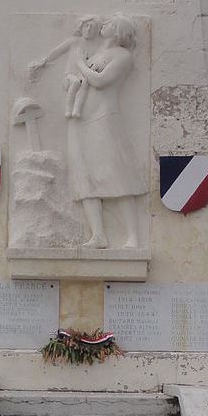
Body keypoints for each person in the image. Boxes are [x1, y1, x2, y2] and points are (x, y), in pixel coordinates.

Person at [68, 13, 146, 248]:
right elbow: (83, 81)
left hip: (104, 119)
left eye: (110, 23)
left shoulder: (123, 56)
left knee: (118, 176)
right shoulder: (95, 54)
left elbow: (101, 81)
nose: (104, 24)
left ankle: (133, 236)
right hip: (82, 120)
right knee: (85, 177)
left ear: (119, 31)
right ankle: (98, 234)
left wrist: (80, 64)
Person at [28, 15, 102, 118]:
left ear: (97, 30)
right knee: (75, 82)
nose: (88, 30)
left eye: (92, 27)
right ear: (81, 27)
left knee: (85, 83)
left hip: (83, 74)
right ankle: (68, 109)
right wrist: (44, 61)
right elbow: (57, 51)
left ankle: (77, 110)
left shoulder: (95, 45)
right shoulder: (74, 41)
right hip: (70, 75)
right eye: (86, 26)